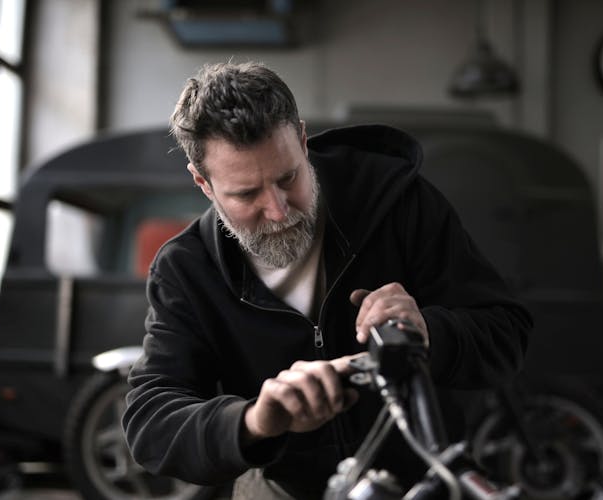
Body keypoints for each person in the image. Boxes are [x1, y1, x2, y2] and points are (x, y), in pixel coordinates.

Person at [123, 61, 532, 499]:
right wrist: (256, 421)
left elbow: (506, 334)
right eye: (246, 194)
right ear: (203, 183)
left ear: (301, 139)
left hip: (421, 481)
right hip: (283, 488)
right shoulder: (186, 269)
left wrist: (429, 331)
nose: (279, 211)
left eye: (288, 177)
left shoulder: (397, 201)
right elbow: (151, 423)